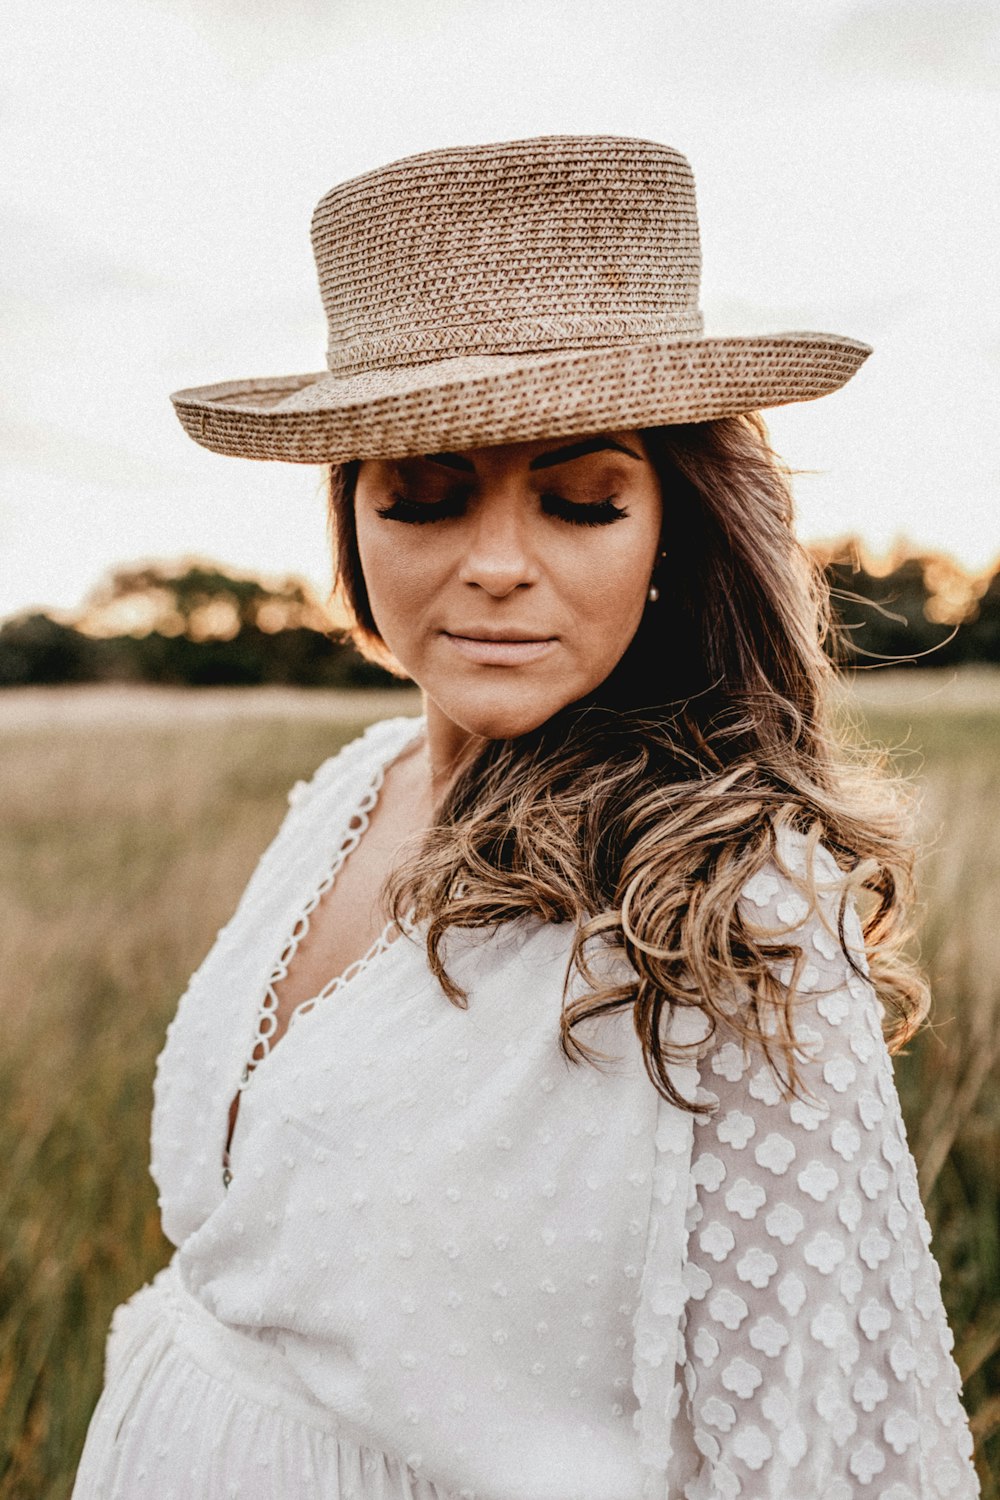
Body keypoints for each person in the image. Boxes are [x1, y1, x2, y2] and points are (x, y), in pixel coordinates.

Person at [72, 135, 980, 1499]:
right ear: (352, 522)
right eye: (426, 498)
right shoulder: (349, 788)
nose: (497, 566)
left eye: (580, 501)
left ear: (674, 526)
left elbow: (830, 1444)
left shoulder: (738, 911)